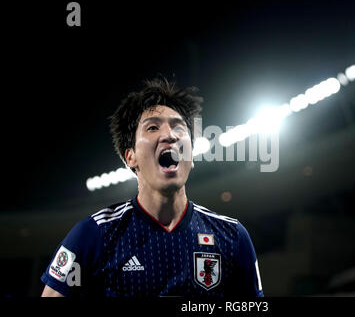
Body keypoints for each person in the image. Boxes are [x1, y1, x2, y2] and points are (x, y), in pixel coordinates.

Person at [41, 76, 264, 297]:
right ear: (130, 157)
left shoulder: (233, 237)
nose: (169, 135)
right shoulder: (94, 235)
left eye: (179, 128)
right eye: (152, 128)